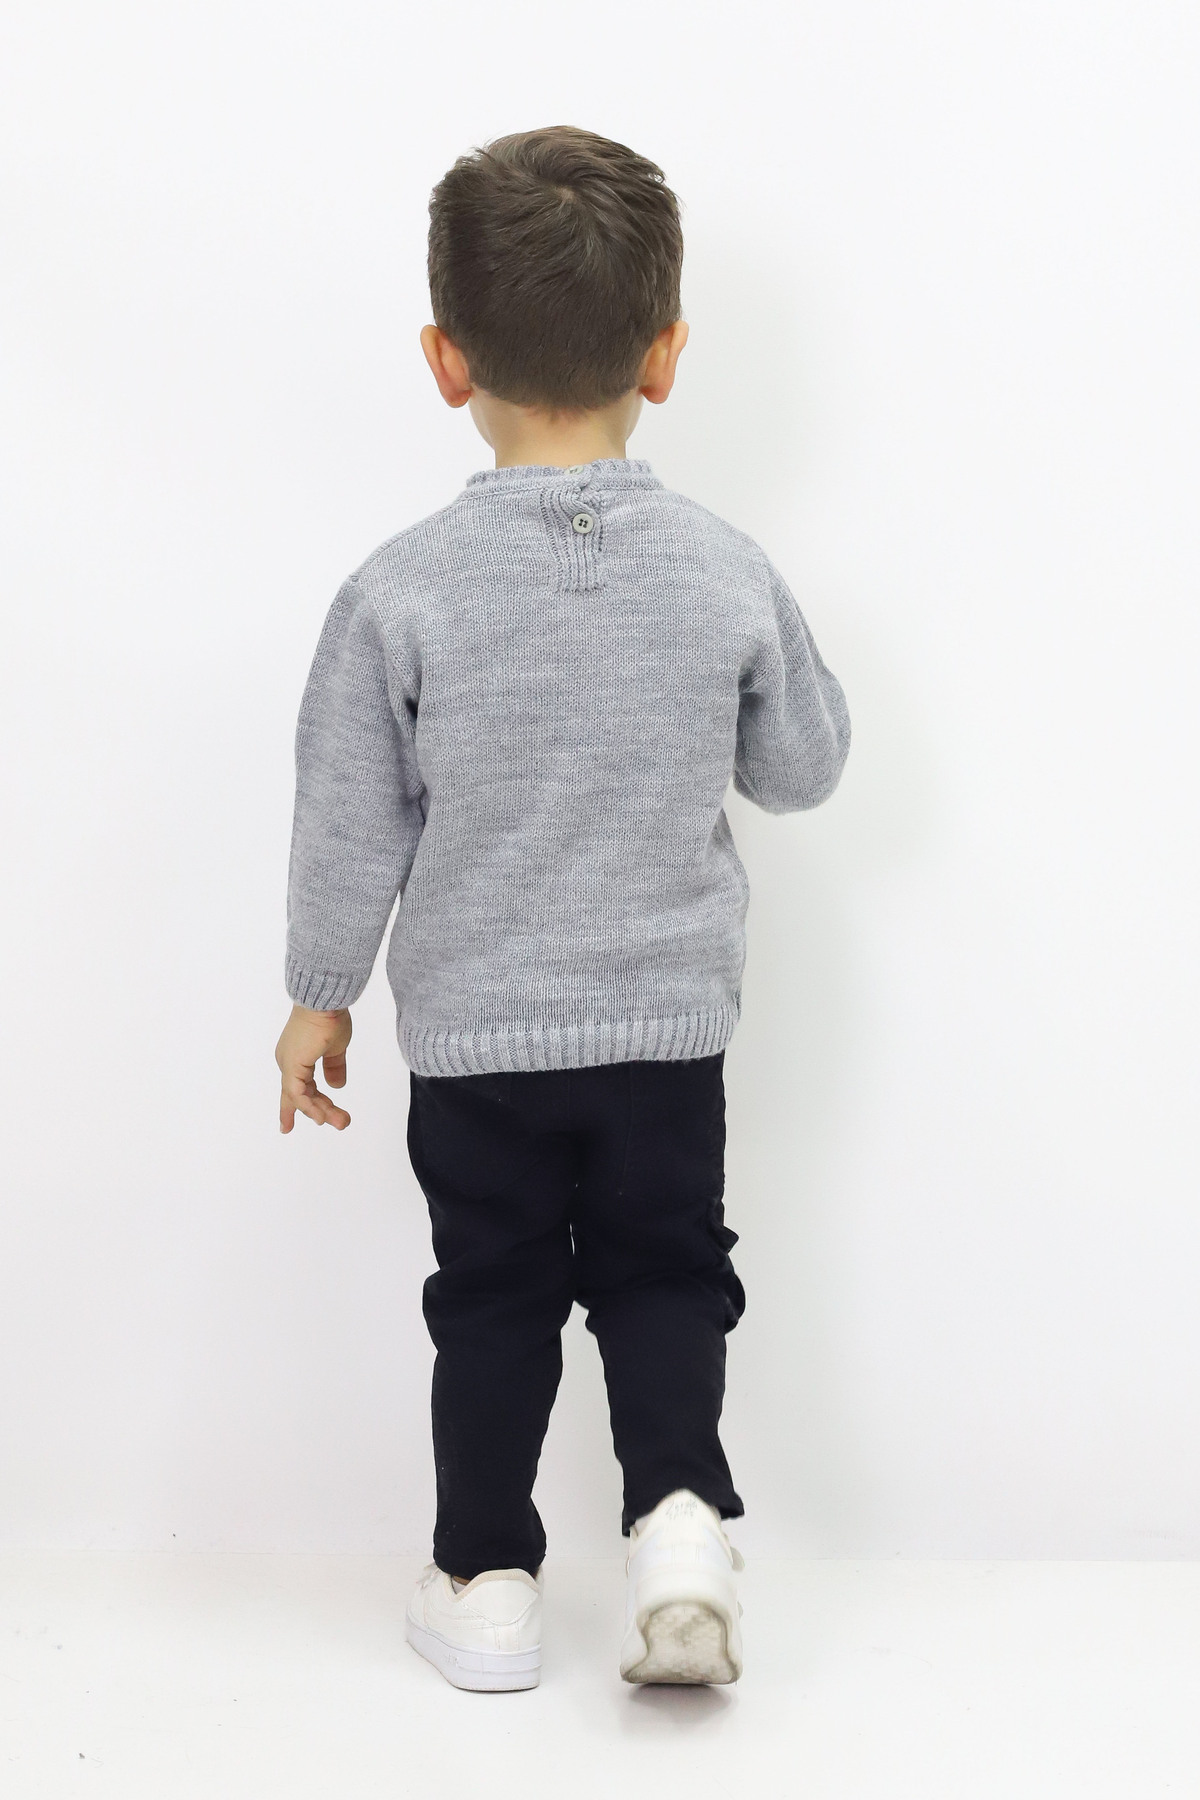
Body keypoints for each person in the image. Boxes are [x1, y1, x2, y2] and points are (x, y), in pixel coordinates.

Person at [274, 125, 850, 1692]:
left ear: (445, 359)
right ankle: (680, 1523)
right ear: (665, 355)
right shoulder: (723, 569)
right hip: (668, 1033)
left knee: (494, 1300)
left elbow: (349, 816)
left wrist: (320, 991)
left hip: (480, 1045)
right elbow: (804, 767)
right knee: (668, 1274)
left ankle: (484, 1583)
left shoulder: (400, 591)